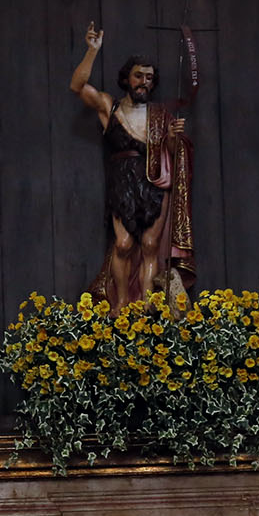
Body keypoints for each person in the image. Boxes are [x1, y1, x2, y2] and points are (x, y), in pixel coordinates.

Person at [68, 21, 196, 308]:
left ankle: (148, 309)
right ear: (127, 78)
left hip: (153, 181)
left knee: (151, 246)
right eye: (139, 76)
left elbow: (171, 156)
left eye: (150, 78)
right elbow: (77, 86)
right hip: (123, 180)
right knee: (124, 245)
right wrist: (92, 51)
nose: (145, 83)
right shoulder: (109, 107)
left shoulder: (160, 116)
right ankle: (122, 306)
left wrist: (175, 138)